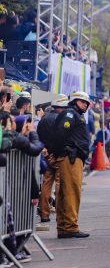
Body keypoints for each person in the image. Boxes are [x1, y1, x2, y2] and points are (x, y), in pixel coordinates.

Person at [54, 91, 91, 238]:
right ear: (75, 101)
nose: (85, 104)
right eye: (82, 102)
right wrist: (65, 149)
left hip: (72, 157)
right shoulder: (70, 114)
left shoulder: (75, 114)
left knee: (65, 192)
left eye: (86, 103)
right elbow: (61, 133)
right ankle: (71, 226)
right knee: (72, 192)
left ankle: (64, 226)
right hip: (71, 158)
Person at [37, 94, 68, 222]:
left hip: (46, 155)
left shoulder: (43, 120)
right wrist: (55, 155)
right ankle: (60, 213)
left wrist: (47, 153)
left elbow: (39, 137)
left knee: (46, 184)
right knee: (60, 183)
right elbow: (62, 138)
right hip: (58, 155)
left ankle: (44, 213)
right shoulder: (61, 119)